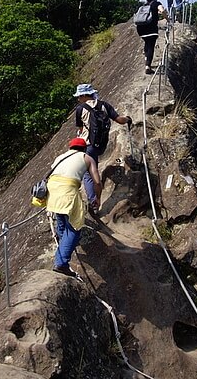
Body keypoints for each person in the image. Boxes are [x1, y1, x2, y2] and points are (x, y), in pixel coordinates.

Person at [47, 137, 101, 278]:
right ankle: (61, 263)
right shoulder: (87, 158)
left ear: (70, 147)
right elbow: (97, 182)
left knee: (62, 220)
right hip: (68, 191)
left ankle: (62, 244)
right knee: (74, 228)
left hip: (53, 192)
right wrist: (97, 198)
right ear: (84, 148)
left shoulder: (59, 157)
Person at [73, 84, 132, 213]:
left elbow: (81, 129)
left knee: (88, 175)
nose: (78, 99)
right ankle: (96, 199)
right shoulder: (104, 105)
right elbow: (119, 120)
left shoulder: (80, 109)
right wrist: (128, 119)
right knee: (94, 167)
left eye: (79, 96)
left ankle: (94, 201)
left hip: (88, 146)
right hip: (101, 145)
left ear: (83, 95)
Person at [136, 0, 167, 74]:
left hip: (140, 29)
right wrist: (167, 18)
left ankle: (146, 57)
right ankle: (148, 66)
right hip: (151, 29)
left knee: (147, 42)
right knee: (151, 46)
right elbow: (162, 10)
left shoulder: (143, 6)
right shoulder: (156, 4)